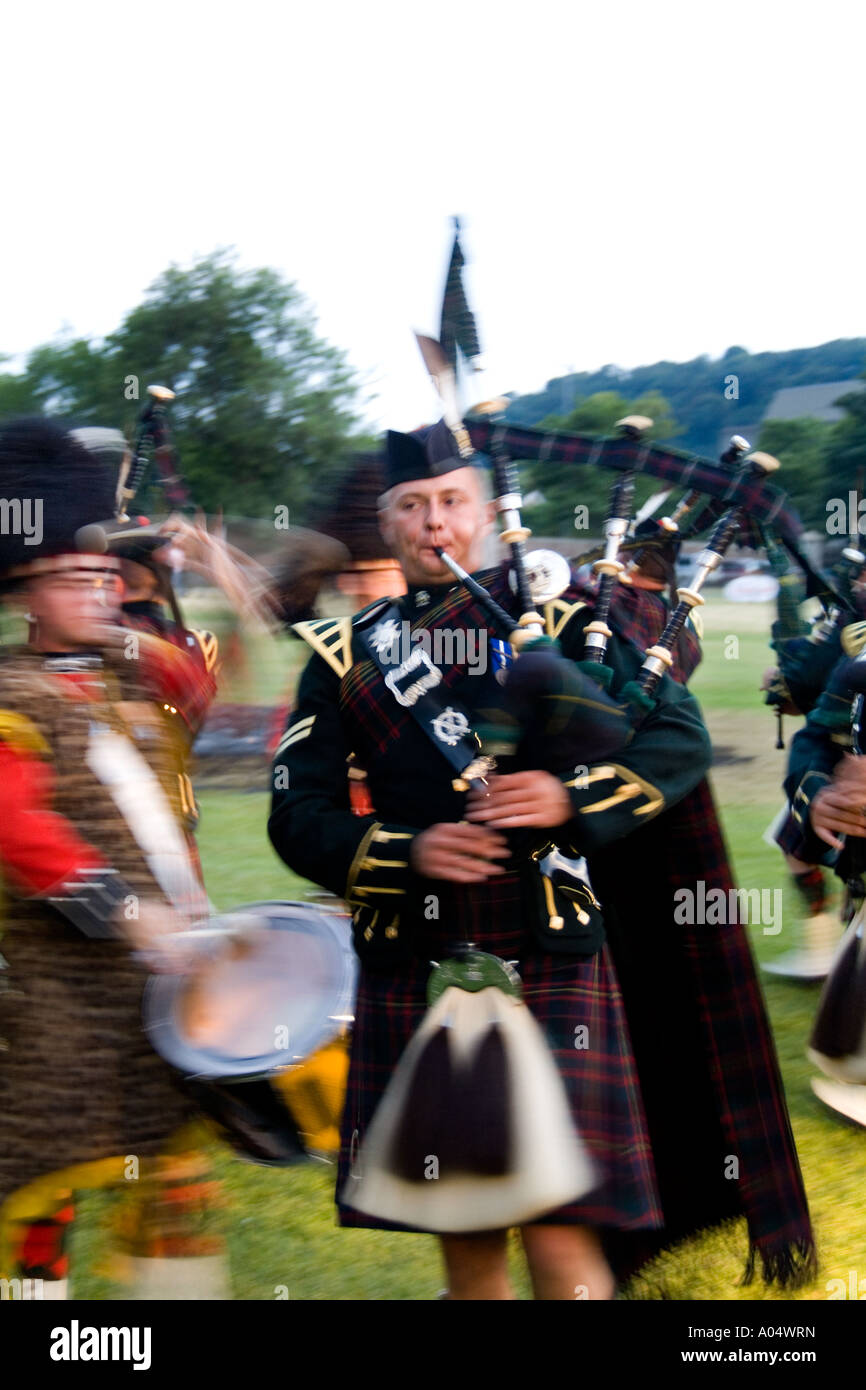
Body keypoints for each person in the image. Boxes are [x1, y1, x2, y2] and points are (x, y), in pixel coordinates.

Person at [268, 418, 815, 1299]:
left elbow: (677, 738)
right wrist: (410, 850)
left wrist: (572, 798)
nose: (433, 523)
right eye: (411, 507)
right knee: (470, 1227)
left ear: (481, 513)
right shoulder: (342, 657)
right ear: (389, 523)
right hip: (421, 952)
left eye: (450, 502)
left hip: (553, 946)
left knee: (563, 1225)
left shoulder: (566, 625)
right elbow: (297, 814)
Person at [0, 418, 226, 1298]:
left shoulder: (135, 675)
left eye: (108, 577)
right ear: (25, 592)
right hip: (64, 989)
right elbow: (17, 830)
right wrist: (126, 914)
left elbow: (205, 681)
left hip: (167, 986)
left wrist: (217, 583)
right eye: (76, 578)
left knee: (172, 1177)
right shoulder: (11, 695)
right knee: (45, 1177)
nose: (102, 591)